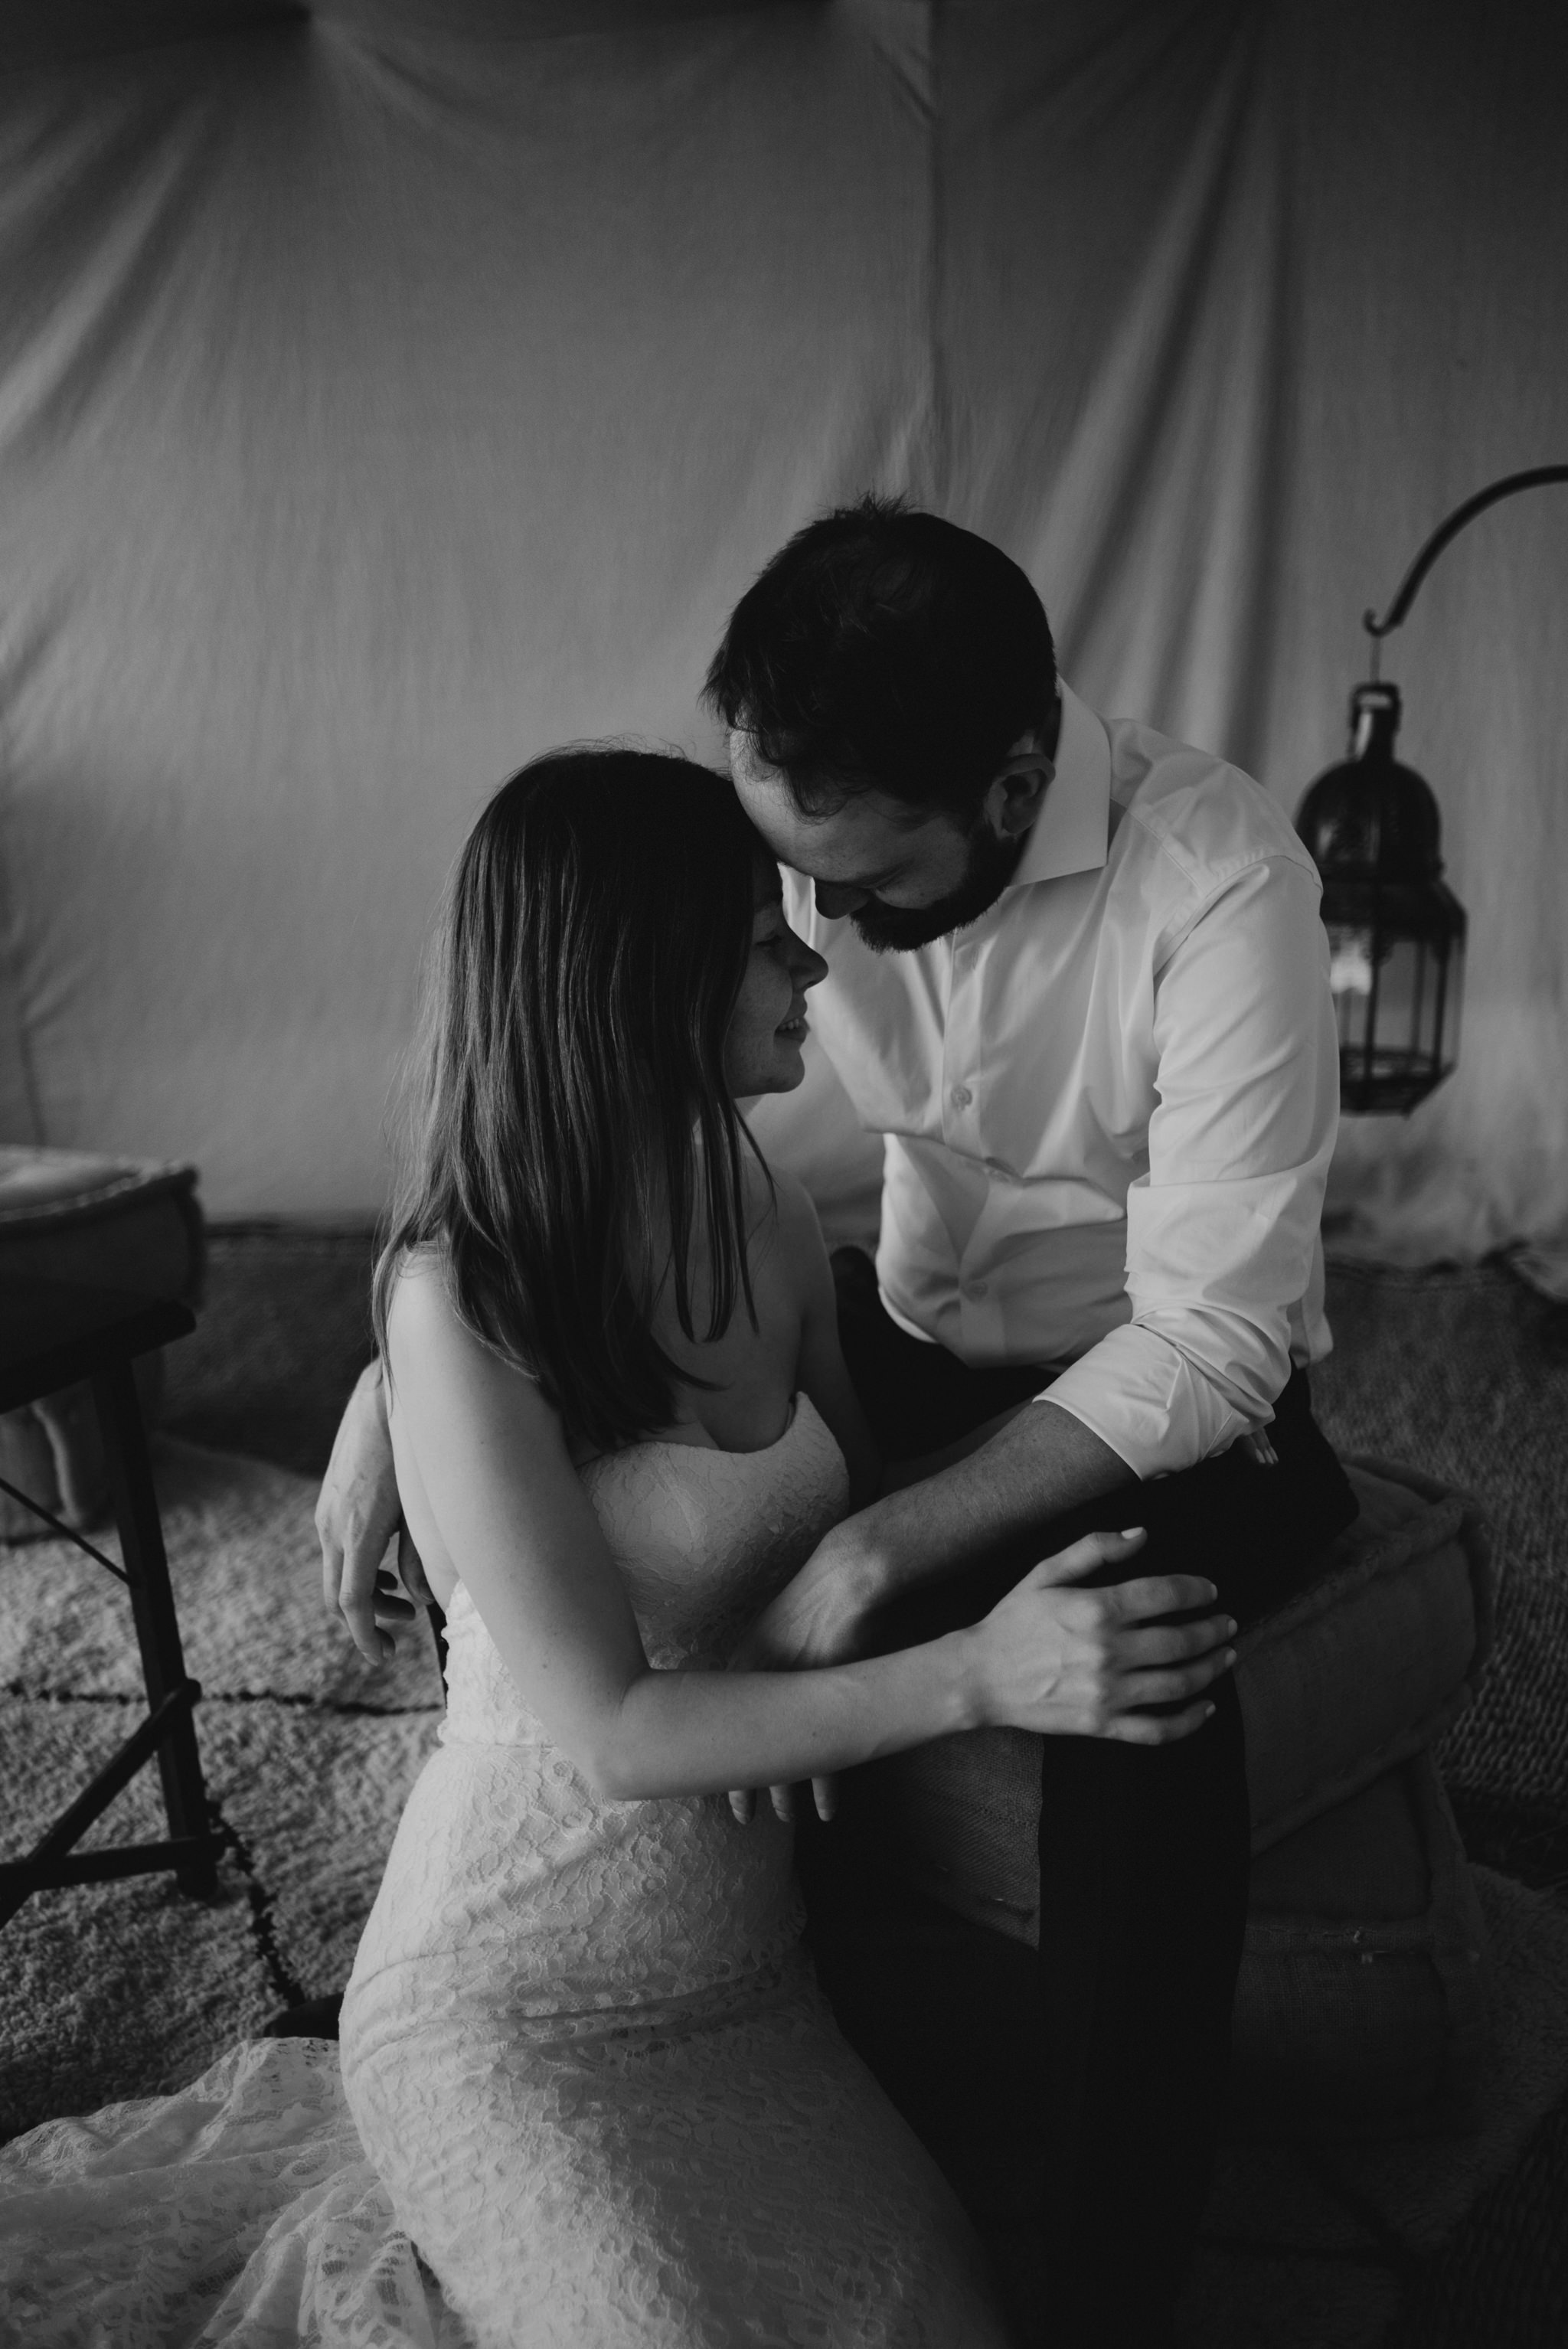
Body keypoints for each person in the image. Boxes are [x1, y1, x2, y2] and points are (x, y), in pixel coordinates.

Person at [0, 747, 1239, 2349]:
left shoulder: (770, 1215)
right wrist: (984, 1674)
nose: (812, 958)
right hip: (509, 2005)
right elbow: (612, 1727)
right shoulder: (465, 1297)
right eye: (761, 935)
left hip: (749, 1996)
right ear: (635, 976)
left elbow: (860, 1513)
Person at [318, 501, 1360, 2346]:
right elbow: (558, 1039)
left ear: (1014, 781)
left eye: (856, 891)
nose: (818, 935)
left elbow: (1214, 1334)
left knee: (1132, 1675)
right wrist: (394, 1378)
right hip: (901, 1336)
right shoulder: (803, 832)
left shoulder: (1221, 886)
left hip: (1162, 1383)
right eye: (781, 893)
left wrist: (879, 1546)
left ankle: (1116, 2283)